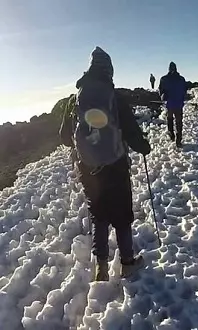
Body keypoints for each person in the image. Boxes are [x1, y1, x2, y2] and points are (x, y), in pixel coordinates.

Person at [59, 46, 151, 281]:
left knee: (99, 214)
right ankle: (128, 263)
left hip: (89, 168)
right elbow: (131, 131)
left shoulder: (74, 99)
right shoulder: (114, 97)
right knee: (121, 214)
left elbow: (64, 137)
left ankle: (101, 268)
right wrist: (143, 147)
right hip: (115, 164)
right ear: (109, 70)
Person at [158, 62, 187, 147]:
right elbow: (184, 90)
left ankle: (171, 135)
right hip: (178, 103)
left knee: (170, 119)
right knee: (178, 122)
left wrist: (163, 97)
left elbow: (161, 90)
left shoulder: (164, 79)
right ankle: (178, 140)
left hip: (170, 103)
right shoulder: (181, 79)